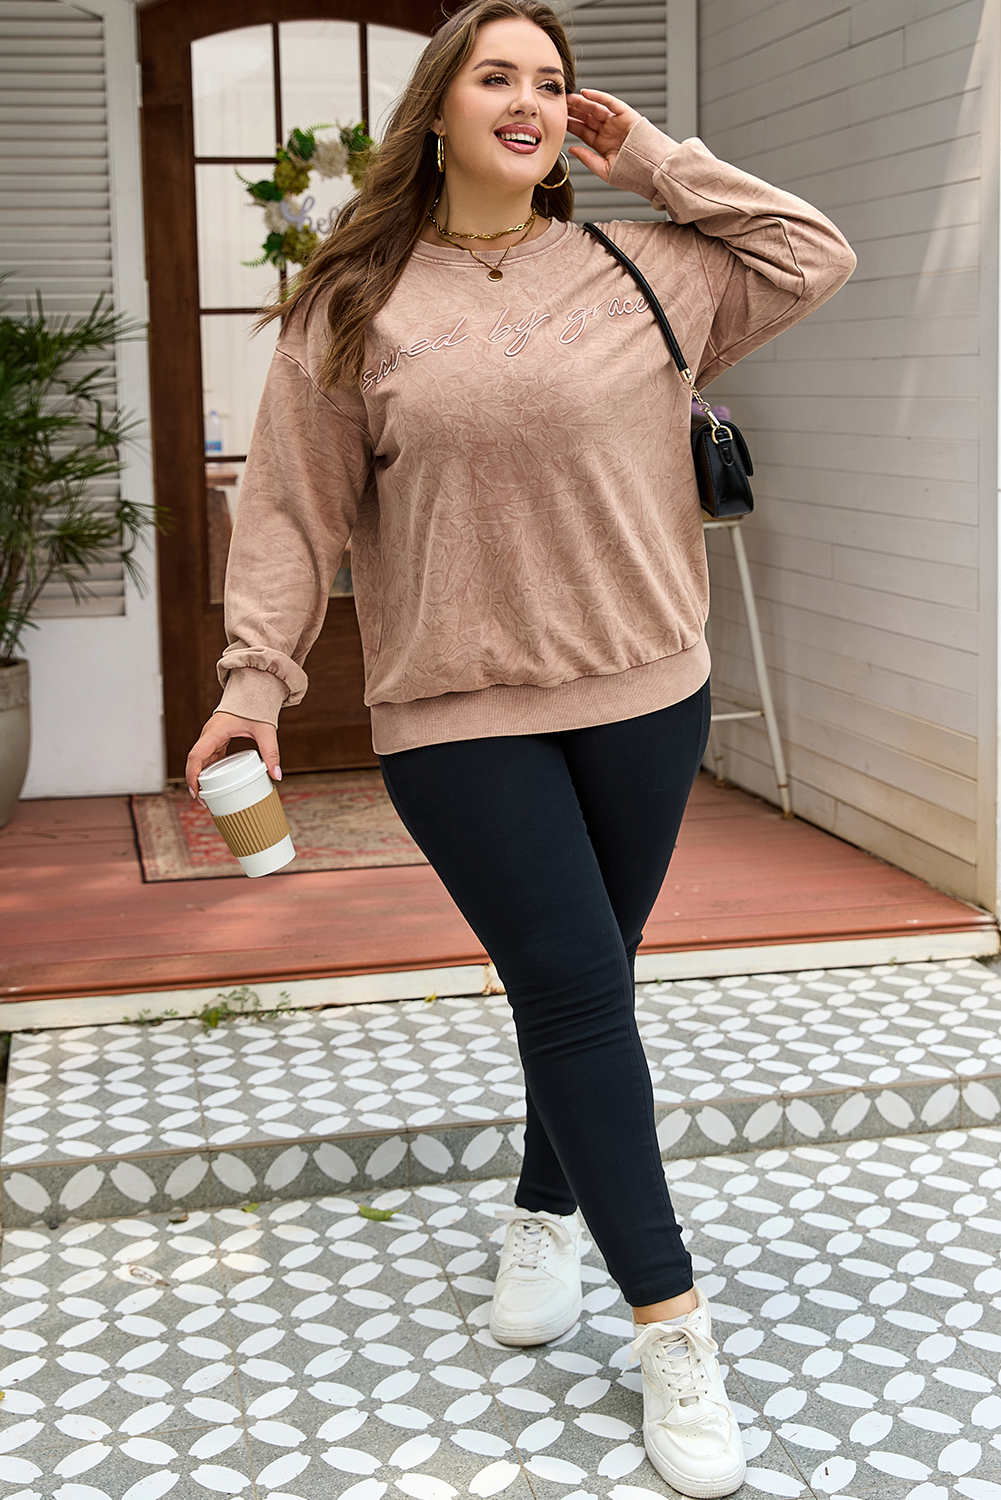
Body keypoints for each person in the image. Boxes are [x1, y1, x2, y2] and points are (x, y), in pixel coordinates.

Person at [186, 2, 856, 1492]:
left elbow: (812, 252)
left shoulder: (647, 264)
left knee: (588, 987)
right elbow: (290, 510)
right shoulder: (352, 303)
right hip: (457, 711)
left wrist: (656, 159)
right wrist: (255, 684)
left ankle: (547, 1212)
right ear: (438, 107)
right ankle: (672, 1327)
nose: (532, 100)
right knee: (570, 986)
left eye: (552, 82)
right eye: (498, 75)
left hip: (647, 690)